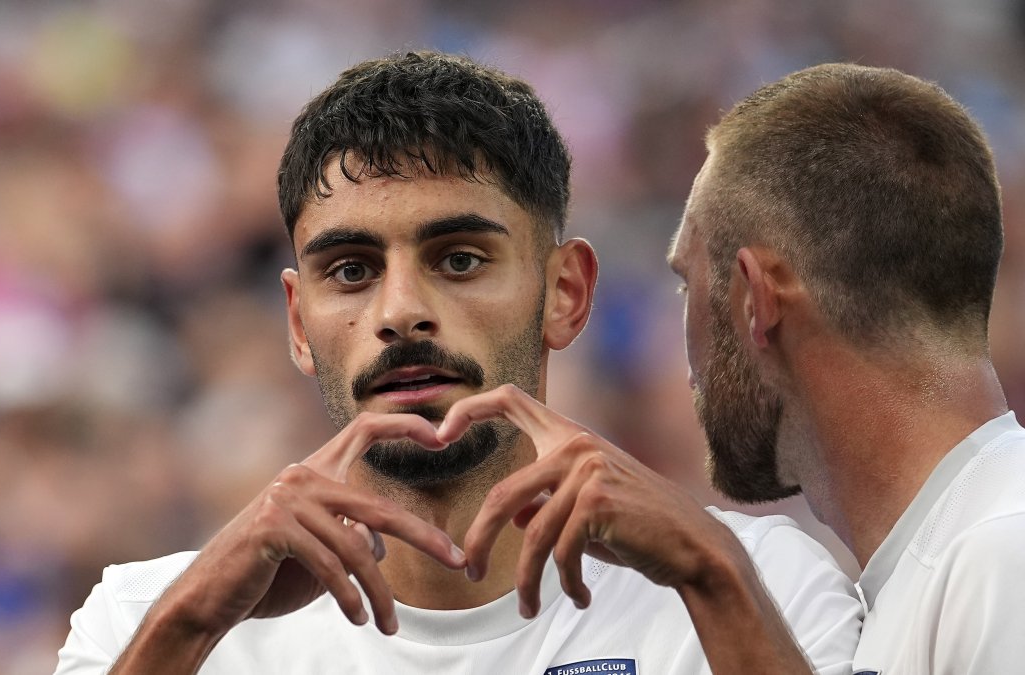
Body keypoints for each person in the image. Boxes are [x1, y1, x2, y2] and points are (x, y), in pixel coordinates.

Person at [55, 51, 862, 675]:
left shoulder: (759, 583)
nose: (401, 310)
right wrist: (187, 628)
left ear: (565, 292)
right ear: (299, 323)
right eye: (351, 270)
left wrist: (713, 578)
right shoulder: (146, 618)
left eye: (460, 259)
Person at [669, 62, 1025, 673]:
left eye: (686, 286)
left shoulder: (1001, 553)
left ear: (755, 300)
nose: (687, 369)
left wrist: (712, 572)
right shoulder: (944, 555)